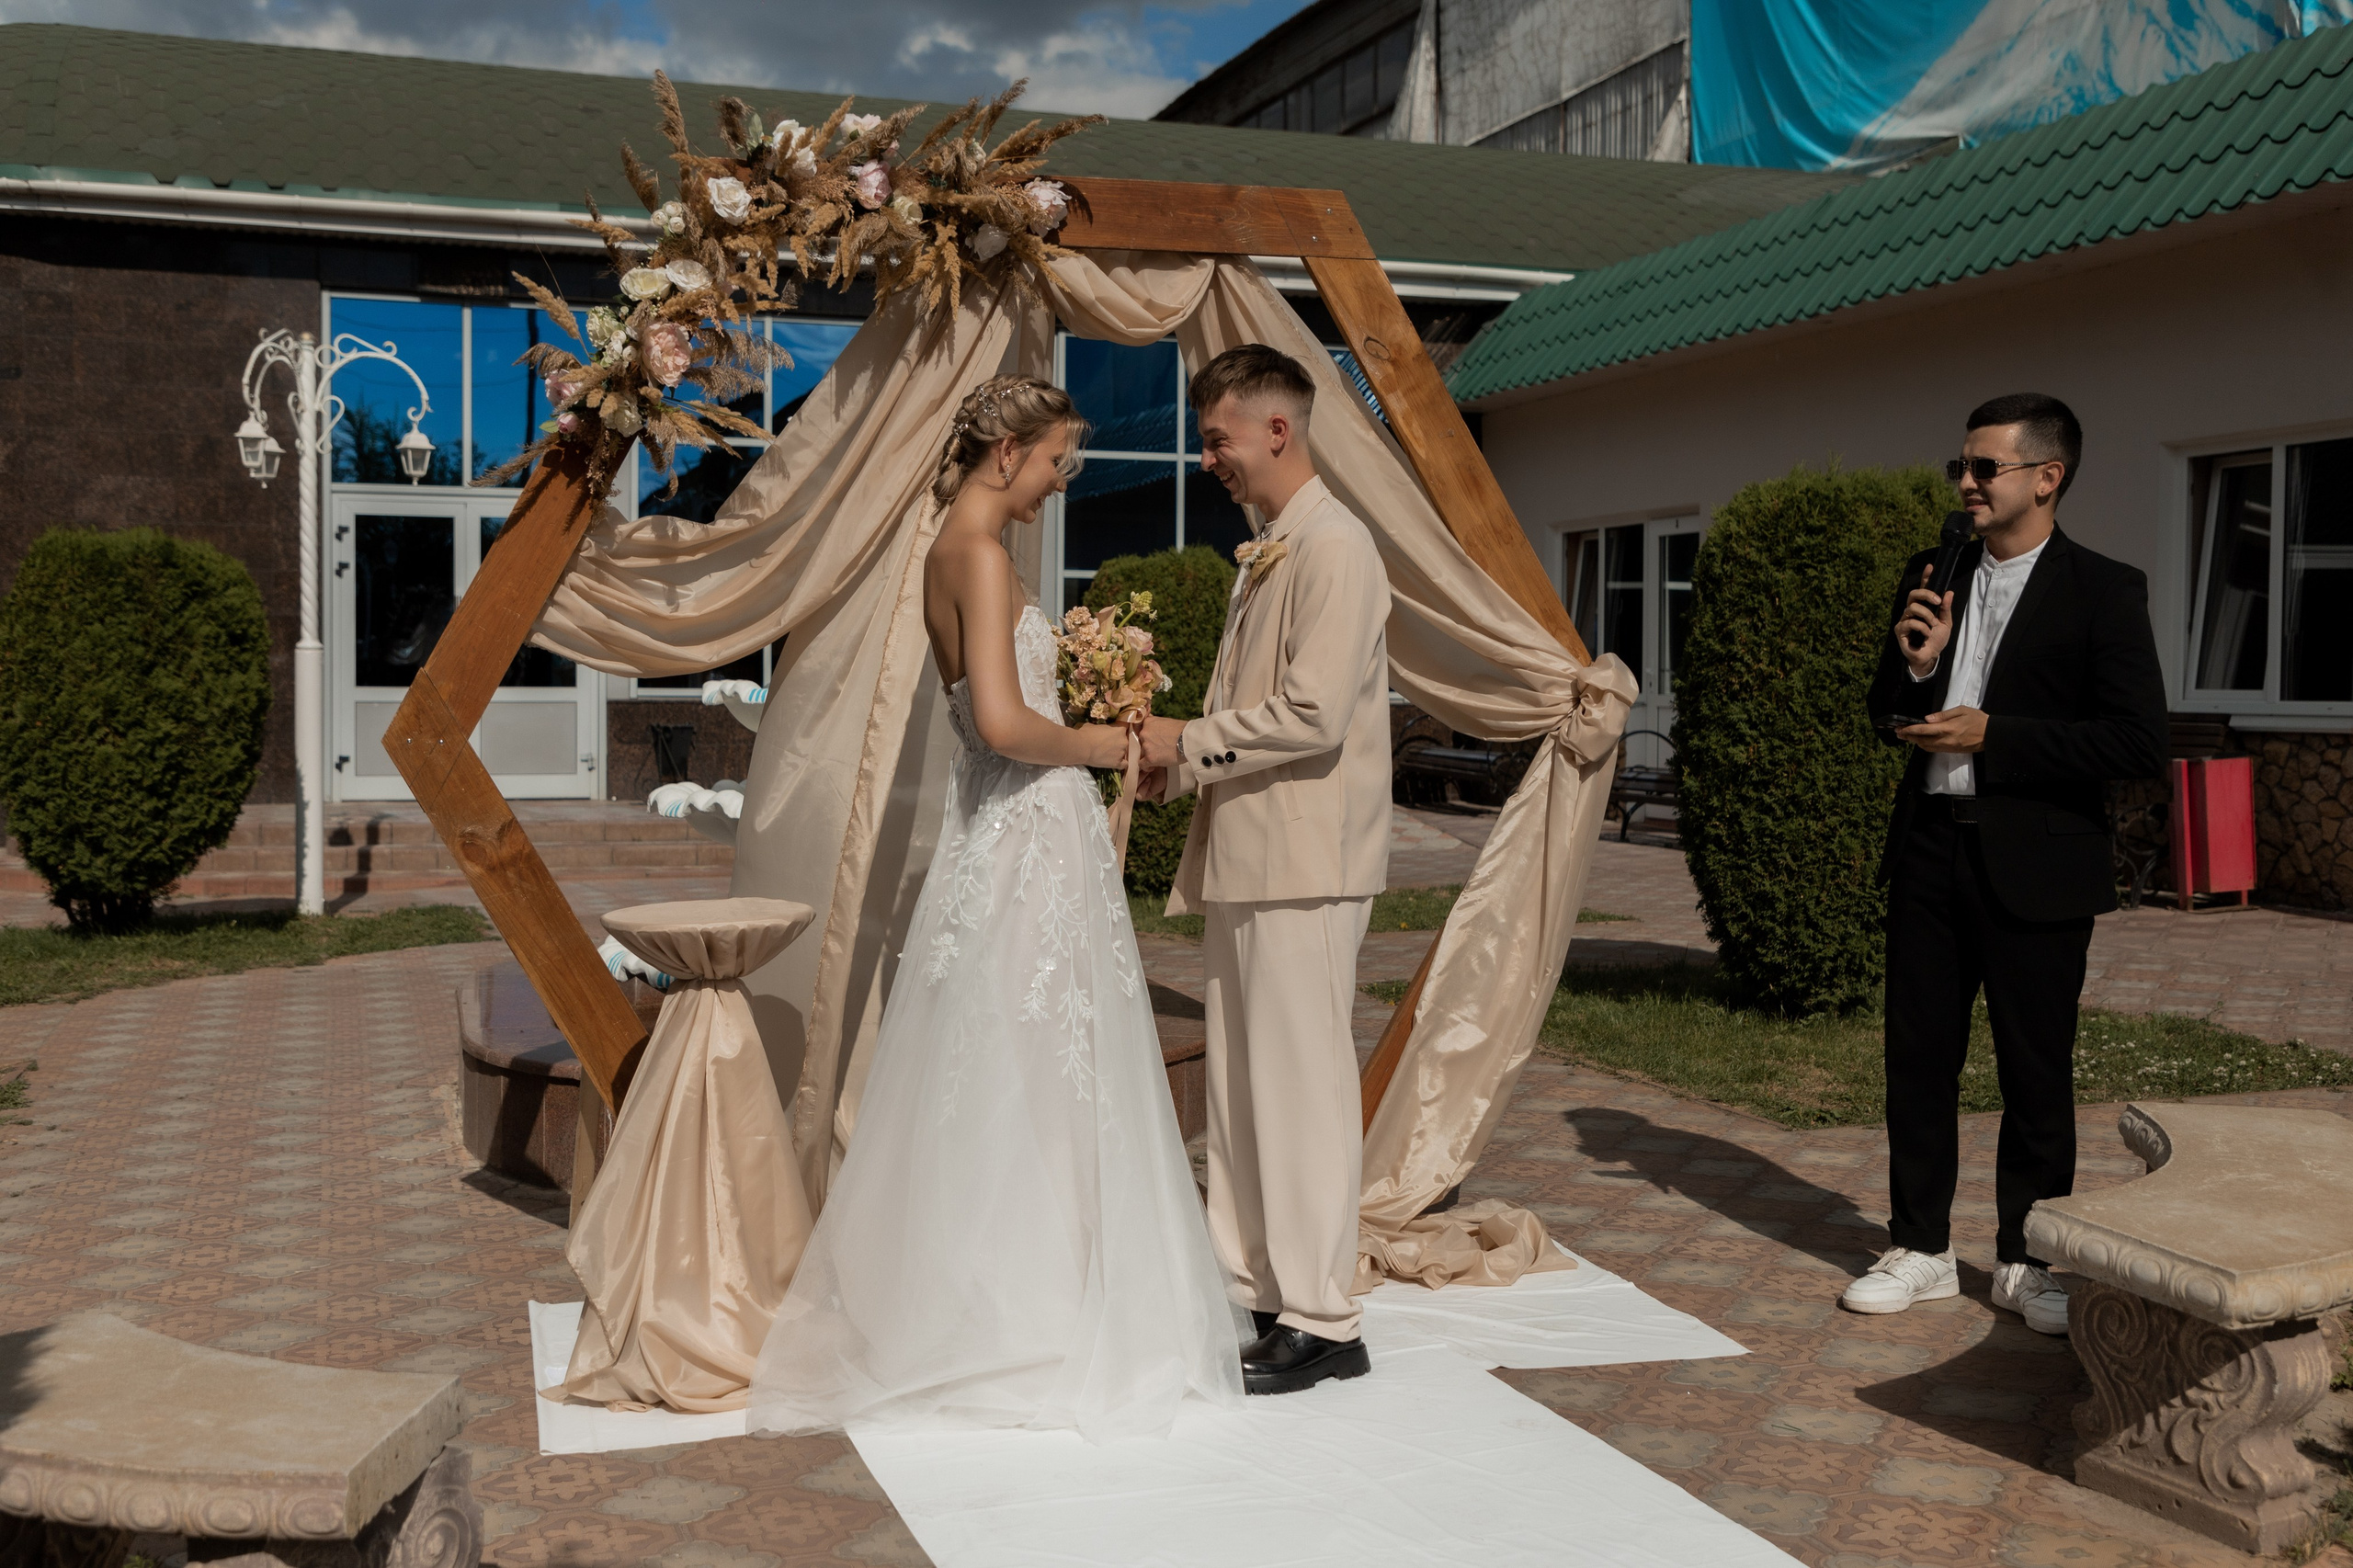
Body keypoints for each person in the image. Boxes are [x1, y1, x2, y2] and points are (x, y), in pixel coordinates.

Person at [746, 374, 1245, 1442]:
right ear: (1006, 449)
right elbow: (1006, 725)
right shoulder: (970, 553)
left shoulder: (963, 546)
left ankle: (1028, 1289)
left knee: (1029, 1062)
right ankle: (1027, 1313)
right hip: (1021, 831)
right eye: (1057, 460)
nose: (1061, 481)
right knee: (1034, 1063)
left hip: (1021, 834)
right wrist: (1118, 742)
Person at [1847, 392, 2166, 1335]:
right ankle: (1920, 1247)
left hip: (2035, 860)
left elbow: (2136, 741)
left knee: (2034, 1068)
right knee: (1916, 1058)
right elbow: (1881, 708)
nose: (1966, 484)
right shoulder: (1932, 570)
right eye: (1962, 466)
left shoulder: (2103, 589)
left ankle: (2031, 1259)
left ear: (2045, 476)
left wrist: (1997, 734)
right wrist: (1913, 670)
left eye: (1984, 467)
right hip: (1930, 850)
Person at [1136, 345, 1392, 1395]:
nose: (1209, 458)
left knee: (1300, 1091)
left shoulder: (1336, 547)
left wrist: (1181, 740)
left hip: (1307, 859)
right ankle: (1252, 1284)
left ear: (1276, 430)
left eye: (1218, 438)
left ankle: (1326, 1315)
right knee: (1241, 1093)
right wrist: (1174, 765)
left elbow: (1312, 713)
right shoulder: (1272, 547)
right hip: (1252, 851)